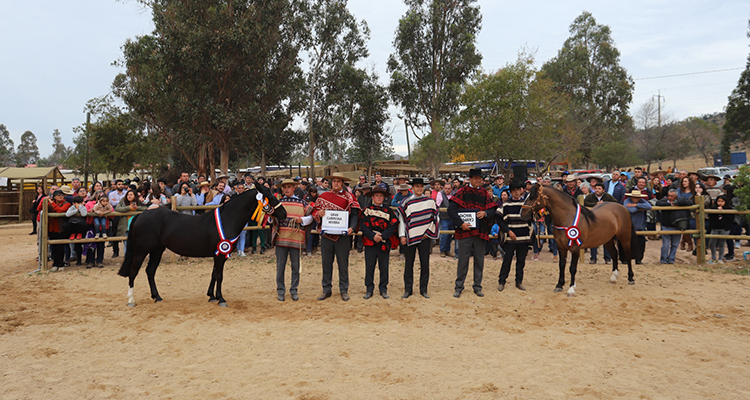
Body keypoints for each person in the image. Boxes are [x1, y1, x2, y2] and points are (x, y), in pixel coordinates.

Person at [312, 173, 361, 301]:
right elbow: (314, 211)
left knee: (343, 264)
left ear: (343, 183)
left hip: (343, 237)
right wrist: (319, 213)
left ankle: (344, 290)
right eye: (334, 181)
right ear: (331, 182)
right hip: (327, 235)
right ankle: (326, 289)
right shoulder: (323, 196)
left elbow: (355, 214)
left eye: (339, 181)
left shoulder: (349, 197)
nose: (336, 183)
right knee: (326, 263)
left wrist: (352, 227)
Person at [448, 168, 496, 298]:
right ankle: (459, 287)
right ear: (470, 179)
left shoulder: (484, 193)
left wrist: (485, 213)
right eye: (475, 178)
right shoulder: (462, 191)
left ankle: (477, 286)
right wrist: (460, 224)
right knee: (463, 260)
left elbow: (493, 210)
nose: (478, 181)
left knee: (479, 260)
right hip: (465, 232)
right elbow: (451, 210)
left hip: (480, 232)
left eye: (480, 179)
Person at [398, 178, 439, 299]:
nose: (419, 188)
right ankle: (408, 290)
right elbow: (402, 220)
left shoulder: (430, 201)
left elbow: (436, 218)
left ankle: (423, 290)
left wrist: (429, 232)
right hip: (410, 237)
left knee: (425, 264)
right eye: (417, 186)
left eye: (421, 186)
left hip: (425, 237)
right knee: (408, 264)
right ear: (413, 188)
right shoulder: (406, 202)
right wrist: (402, 235)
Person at [273, 179, 313, 301]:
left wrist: (302, 220)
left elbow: (311, 216)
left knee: (295, 266)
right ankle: (280, 290)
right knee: (280, 266)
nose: (286, 189)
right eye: (284, 187)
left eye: (289, 187)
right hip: (281, 238)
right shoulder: (278, 203)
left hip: (297, 239)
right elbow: (271, 220)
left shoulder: (302, 203)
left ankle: (294, 290)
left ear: (294, 188)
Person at [359, 186, 399, 299]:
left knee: (384, 267)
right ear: (372, 197)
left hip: (384, 242)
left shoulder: (389, 211)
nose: (379, 198)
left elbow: (393, 226)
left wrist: (382, 236)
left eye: (381, 196)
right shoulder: (367, 210)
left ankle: (383, 289)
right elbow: (363, 226)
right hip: (370, 243)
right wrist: (373, 236)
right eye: (377, 195)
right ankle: (369, 289)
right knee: (369, 267)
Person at [496, 180, 532, 291]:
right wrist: (508, 231)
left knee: (521, 261)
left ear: (521, 190)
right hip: (511, 238)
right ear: (511, 192)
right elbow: (498, 218)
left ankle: (519, 282)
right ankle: (502, 281)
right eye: (514, 190)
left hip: (523, 237)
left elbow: (532, 217)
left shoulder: (526, 204)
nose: (516, 192)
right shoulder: (506, 204)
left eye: (518, 190)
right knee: (507, 260)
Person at [583, 182, 617, 264]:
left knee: (606, 240)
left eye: (599, 189)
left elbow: (615, 202)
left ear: (603, 190)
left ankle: (607, 259)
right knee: (593, 240)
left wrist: (604, 204)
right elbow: (585, 203)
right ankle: (593, 258)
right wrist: (596, 204)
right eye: (596, 189)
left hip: (605, 221)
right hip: (593, 222)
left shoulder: (607, 196)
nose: (597, 190)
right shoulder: (590, 196)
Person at [656, 189, 692, 264]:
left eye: (672, 196)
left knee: (675, 245)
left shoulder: (680, 202)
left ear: (676, 197)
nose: (669, 197)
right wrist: (670, 205)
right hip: (666, 225)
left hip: (676, 226)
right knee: (665, 245)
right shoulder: (664, 201)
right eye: (669, 195)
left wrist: (677, 203)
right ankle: (663, 260)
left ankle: (671, 259)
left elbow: (690, 202)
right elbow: (658, 203)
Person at [44, 189, 71, 272]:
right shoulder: (50, 203)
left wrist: (51, 203)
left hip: (61, 228)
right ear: (54, 196)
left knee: (60, 247)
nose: (60, 196)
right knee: (53, 247)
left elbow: (60, 210)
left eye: (62, 195)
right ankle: (55, 264)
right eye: (58, 195)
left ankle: (61, 264)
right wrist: (45, 200)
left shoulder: (67, 203)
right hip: (51, 228)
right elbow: (39, 208)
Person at [623, 189, 652, 264]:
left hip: (639, 226)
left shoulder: (641, 201)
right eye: (634, 197)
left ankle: (638, 260)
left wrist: (636, 205)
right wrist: (640, 207)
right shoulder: (626, 200)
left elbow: (649, 206)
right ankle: (625, 259)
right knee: (627, 244)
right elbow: (630, 210)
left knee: (640, 244)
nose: (635, 198)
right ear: (631, 197)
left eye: (637, 197)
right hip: (628, 227)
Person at [708, 195, 733, 264]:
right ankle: (713, 259)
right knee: (712, 243)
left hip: (725, 229)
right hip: (715, 228)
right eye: (719, 201)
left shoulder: (729, 209)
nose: (720, 203)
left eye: (722, 201)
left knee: (722, 243)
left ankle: (720, 258)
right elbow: (711, 217)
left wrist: (723, 212)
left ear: (725, 202)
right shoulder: (713, 208)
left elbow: (731, 219)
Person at [436, 180, 455, 258]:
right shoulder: (440, 194)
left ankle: (447, 250)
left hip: (452, 218)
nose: (447, 190)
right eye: (446, 188)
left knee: (450, 234)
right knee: (444, 234)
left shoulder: (455, 194)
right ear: (443, 188)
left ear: (451, 188)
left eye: (449, 188)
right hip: (444, 217)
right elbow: (438, 204)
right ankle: (442, 250)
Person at [108, 179, 127, 257]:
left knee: (126, 231)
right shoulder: (111, 194)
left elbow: (127, 202)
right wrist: (122, 201)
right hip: (116, 215)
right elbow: (112, 203)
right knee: (115, 232)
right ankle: (115, 251)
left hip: (125, 214)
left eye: (122, 184)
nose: (121, 185)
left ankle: (127, 251)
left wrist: (118, 201)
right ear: (115, 185)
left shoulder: (126, 193)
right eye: (119, 184)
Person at [304, 185, 320, 255]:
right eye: (312, 192)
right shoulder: (306, 197)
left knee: (315, 234)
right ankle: (308, 249)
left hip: (316, 217)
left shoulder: (318, 198)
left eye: (315, 192)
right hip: (308, 217)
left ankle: (314, 247)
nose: (314, 194)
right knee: (309, 234)